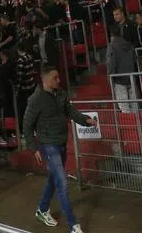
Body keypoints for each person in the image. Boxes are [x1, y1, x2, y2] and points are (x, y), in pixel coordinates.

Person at [23, 64, 94, 233]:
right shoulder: (36, 99)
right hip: (49, 145)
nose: (59, 80)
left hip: (61, 142)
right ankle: (74, 225)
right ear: (45, 79)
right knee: (62, 183)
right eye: (55, 77)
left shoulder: (61, 94)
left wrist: (86, 120)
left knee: (53, 179)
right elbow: (26, 125)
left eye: (58, 77)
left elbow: (71, 112)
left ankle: (42, 209)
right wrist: (34, 148)